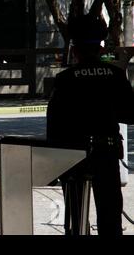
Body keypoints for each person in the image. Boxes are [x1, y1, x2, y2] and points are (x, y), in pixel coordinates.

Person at [47, 14, 134, 235]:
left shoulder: (65, 79)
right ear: (101, 49)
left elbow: (55, 124)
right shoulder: (115, 75)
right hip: (107, 152)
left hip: (74, 154)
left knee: (76, 218)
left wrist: (51, 166)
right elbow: (131, 114)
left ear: (74, 50)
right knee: (110, 216)